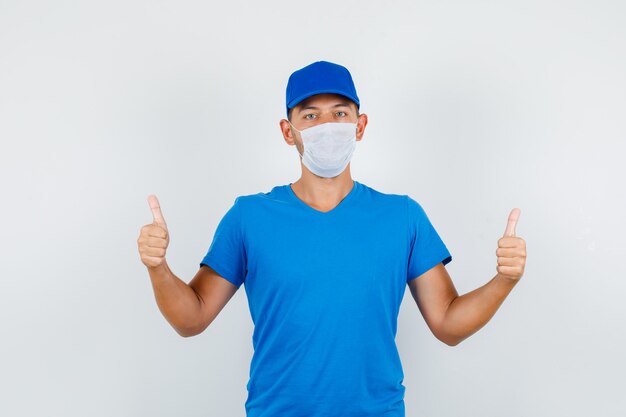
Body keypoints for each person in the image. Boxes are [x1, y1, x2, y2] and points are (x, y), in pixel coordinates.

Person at [137, 60, 527, 417]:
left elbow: (448, 324)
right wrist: (159, 268)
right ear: (288, 132)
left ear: (360, 126)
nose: (327, 126)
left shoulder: (402, 217)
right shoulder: (248, 218)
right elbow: (192, 319)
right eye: (311, 115)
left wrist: (503, 281)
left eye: (340, 113)